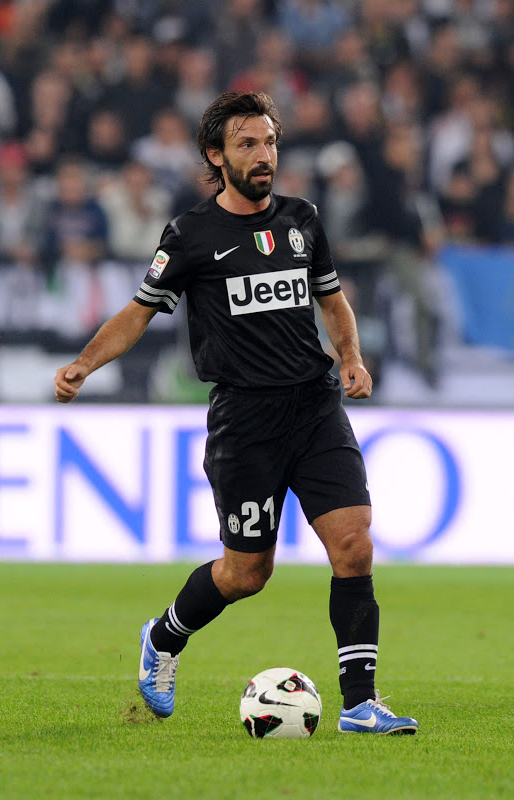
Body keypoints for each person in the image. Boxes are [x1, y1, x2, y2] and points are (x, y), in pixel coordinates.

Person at [54, 91, 418, 736]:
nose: (263, 155)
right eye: (247, 144)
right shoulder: (190, 235)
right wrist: (85, 364)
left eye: (270, 141)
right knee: (247, 572)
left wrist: (351, 358)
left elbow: (332, 300)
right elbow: (138, 313)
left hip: (315, 407)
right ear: (216, 156)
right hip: (245, 422)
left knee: (354, 543)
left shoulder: (303, 219)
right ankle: (163, 637)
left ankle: (360, 704)